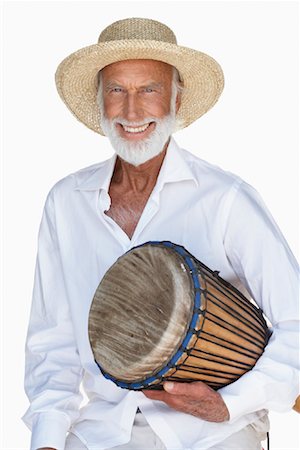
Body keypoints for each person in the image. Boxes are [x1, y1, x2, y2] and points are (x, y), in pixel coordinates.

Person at [22, 17, 299, 450]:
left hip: (215, 433)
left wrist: (230, 404)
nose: (132, 112)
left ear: (176, 97)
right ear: (99, 101)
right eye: (117, 90)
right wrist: (47, 439)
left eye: (148, 89)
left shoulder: (227, 199)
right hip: (102, 431)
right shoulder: (65, 202)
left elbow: (295, 321)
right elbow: (51, 342)